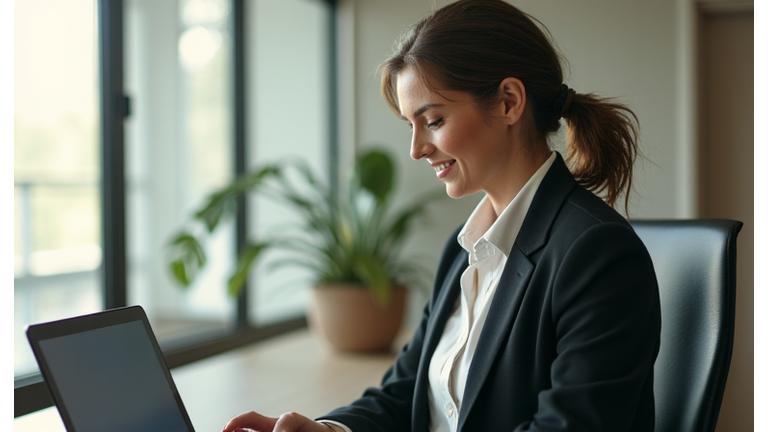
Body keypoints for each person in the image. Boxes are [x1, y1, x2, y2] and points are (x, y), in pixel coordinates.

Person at [222, 0, 661, 431]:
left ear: (509, 102)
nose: (416, 149)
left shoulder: (596, 252)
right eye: (410, 126)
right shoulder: (466, 248)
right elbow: (406, 392)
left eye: (432, 120)